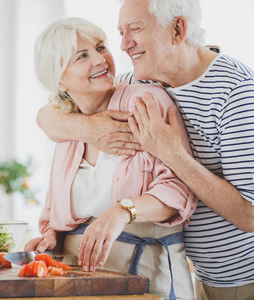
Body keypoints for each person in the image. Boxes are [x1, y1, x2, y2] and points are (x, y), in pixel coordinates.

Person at [36, 1, 254, 299]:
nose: (123, 45)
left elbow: (251, 215)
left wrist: (173, 155)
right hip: (198, 267)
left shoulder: (237, 93)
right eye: (120, 33)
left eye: (135, 29)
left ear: (178, 30)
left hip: (242, 273)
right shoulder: (138, 80)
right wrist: (90, 128)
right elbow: (46, 117)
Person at [25, 17, 197, 300]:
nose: (100, 59)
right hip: (83, 284)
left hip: (149, 279)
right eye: (82, 56)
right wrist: (51, 238)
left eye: (101, 47)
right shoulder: (67, 129)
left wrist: (122, 211)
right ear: (60, 79)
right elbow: (52, 214)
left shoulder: (144, 100)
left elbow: (179, 188)